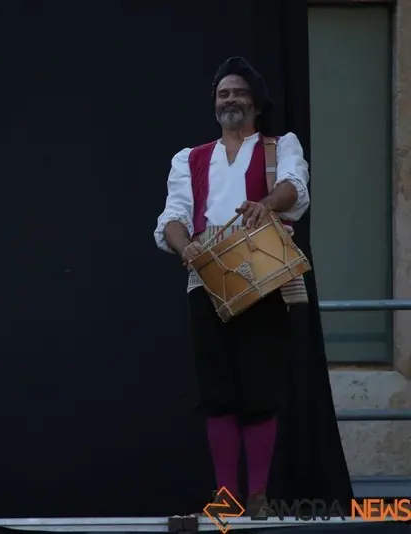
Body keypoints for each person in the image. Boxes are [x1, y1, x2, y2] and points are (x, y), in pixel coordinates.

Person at [153, 57, 310, 515]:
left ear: (256, 104)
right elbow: (173, 217)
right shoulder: (190, 158)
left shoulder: (280, 146)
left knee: (260, 390)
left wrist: (263, 205)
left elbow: (294, 188)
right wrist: (188, 250)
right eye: (223, 93)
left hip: (264, 278)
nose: (230, 99)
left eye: (239, 92)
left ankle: (258, 495)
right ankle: (226, 499)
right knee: (218, 393)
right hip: (207, 281)